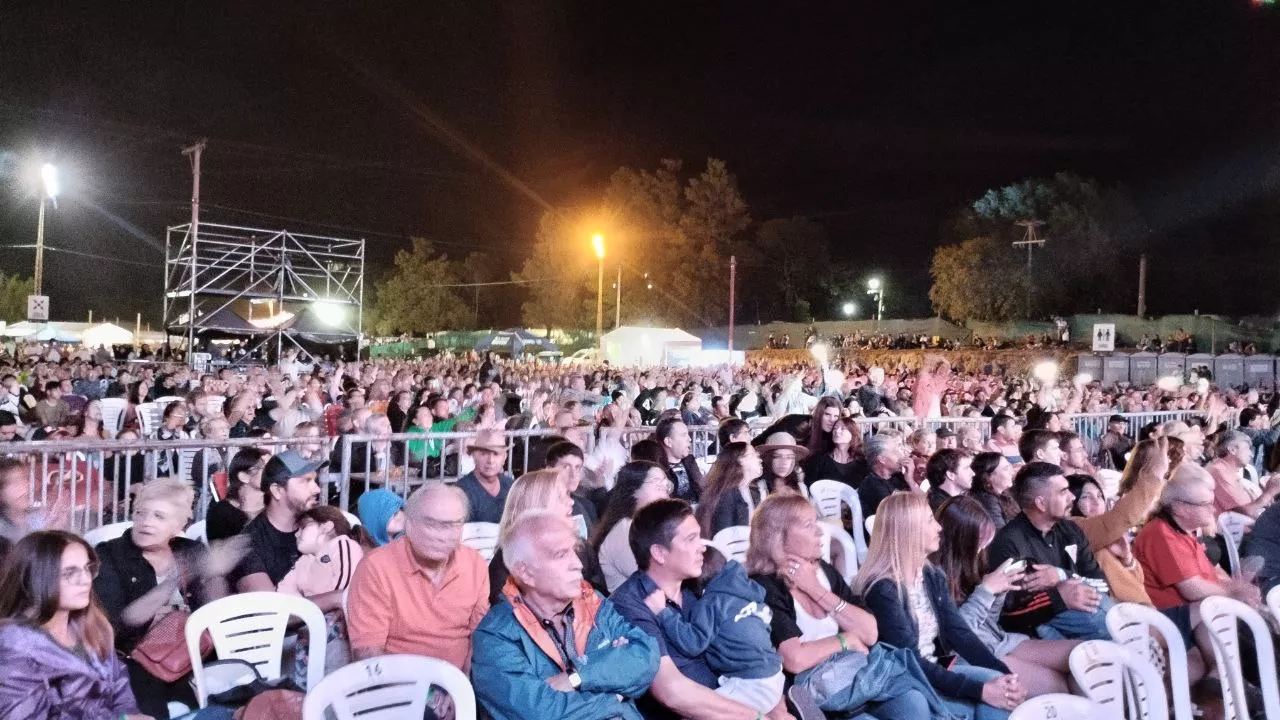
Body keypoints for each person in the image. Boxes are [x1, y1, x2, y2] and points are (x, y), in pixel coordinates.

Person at [746, 493, 952, 718]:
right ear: (778, 537)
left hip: (855, 676)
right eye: (808, 525)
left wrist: (816, 590)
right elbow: (795, 659)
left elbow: (870, 633)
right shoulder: (765, 586)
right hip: (815, 695)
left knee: (913, 703)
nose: (819, 531)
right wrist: (846, 640)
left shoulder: (823, 571)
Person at [471, 511, 660, 720]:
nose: (578, 564)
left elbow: (645, 655)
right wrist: (616, 695)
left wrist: (577, 677)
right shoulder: (494, 637)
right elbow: (542, 713)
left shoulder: (592, 601)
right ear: (525, 573)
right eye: (561, 555)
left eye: (574, 551)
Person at [853, 493, 1025, 719]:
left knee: (1006, 695)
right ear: (909, 531)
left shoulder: (931, 574)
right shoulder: (882, 589)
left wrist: (1004, 674)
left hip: (935, 670)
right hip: (903, 683)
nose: (938, 527)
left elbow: (959, 633)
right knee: (993, 699)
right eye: (929, 521)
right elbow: (910, 661)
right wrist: (981, 690)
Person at [610, 499, 781, 720]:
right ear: (659, 553)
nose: (702, 547)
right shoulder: (631, 605)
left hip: (739, 696)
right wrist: (756, 716)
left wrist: (774, 706)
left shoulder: (698, 585)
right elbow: (672, 692)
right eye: (691, 539)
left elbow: (751, 643)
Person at [94, 480, 235, 717]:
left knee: (234, 694)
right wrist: (171, 583)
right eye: (141, 513)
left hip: (195, 652)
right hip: (135, 659)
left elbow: (216, 614)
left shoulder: (191, 551)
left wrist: (214, 574)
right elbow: (117, 624)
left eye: (159, 516)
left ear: (180, 524)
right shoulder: (109, 554)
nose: (146, 522)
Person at [932, 496, 1077, 696]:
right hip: (974, 654)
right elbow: (956, 638)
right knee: (1059, 686)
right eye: (980, 542)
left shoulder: (969, 565)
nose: (983, 549)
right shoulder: (934, 577)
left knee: (1081, 658)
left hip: (1000, 640)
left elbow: (989, 621)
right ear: (961, 541)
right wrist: (985, 592)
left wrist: (1000, 591)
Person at [346, 482, 489, 677]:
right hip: (395, 687)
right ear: (409, 524)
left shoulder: (475, 564)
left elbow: (479, 639)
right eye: (432, 524)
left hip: (458, 686)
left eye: (453, 525)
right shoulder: (376, 568)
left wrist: (462, 687)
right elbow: (368, 654)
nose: (443, 535)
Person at [0, 530, 146, 719]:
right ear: (36, 578)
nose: (85, 580)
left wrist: (129, 714)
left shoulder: (94, 625)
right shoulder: (13, 648)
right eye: (70, 573)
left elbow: (118, 683)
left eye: (87, 568)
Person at [643, 555, 788, 718]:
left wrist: (662, 612)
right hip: (774, 673)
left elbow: (692, 643)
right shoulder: (746, 589)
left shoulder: (712, 602)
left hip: (752, 683)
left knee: (702, 712)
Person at [985, 462, 1113, 640]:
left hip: (1086, 616)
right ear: (1041, 504)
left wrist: (1061, 576)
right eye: (1063, 492)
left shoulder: (1071, 530)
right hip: (1035, 634)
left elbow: (1103, 586)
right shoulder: (1009, 542)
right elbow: (1008, 613)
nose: (1072, 497)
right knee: (1105, 624)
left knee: (1113, 618)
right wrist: (1059, 597)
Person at [1135, 464, 1262, 611]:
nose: (1213, 509)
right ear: (1180, 508)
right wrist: (1234, 594)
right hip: (1173, 618)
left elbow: (1210, 574)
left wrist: (1238, 588)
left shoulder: (1186, 530)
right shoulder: (1160, 533)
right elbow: (1193, 589)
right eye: (1206, 504)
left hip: (1200, 609)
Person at [486, 469, 606, 605]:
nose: (571, 502)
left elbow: (602, 602)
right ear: (537, 507)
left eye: (568, 495)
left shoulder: (581, 547)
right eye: (560, 497)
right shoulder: (506, 566)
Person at [229, 450, 324, 595]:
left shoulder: (322, 523)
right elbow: (271, 607)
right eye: (306, 481)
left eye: (315, 481)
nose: (317, 489)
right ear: (277, 490)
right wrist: (336, 599)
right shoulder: (247, 544)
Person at [591, 460, 671, 593]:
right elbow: (656, 579)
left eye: (666, 484)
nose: (665, 491)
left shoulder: (649, 526)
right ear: (634, 490)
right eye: (657, 483)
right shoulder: (624, 530)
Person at [695, 442, 767, 538]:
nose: (759, 459)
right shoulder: (725, 496)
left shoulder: (754, 492)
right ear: (741, 460)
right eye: (753, 454)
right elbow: (723, 537)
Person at [1207, 429, 1280, 518]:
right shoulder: (1219, 472)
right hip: (1231, 529)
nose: (1251, 454)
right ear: (1232, 450)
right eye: (1247, 448)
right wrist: (1270, 492)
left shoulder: (1228, 471)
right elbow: (1245, 512)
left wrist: (1269, 489)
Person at [205, 447, 267, 543]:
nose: (270, 472)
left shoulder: (274, 507)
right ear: (244, 477)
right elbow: (219, 552)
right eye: (262, 468)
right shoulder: (221, 512)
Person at [455, 428, 515, 524]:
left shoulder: (511, 486)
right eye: (484, 454)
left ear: (504, 458)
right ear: (474, 456)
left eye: (496, 454)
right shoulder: (461, 491)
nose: (490, 460)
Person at [545, 440, 599, 531]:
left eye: (577, 467)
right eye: (566, 467)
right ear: (549, 470)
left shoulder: (586, 506)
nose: (573, 474)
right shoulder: (540, 507)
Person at [858, 433, 912, 519]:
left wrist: (910, 480)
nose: (901, 454)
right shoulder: (871, 485)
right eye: (895, 451)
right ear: (882, 459)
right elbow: (898, 515)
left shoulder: (900, 476)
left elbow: (925, 504)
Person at [802, 416, 864, 487]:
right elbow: (809, 484)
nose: (837, 431)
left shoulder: (861, 462)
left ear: (853, 434)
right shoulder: (819, 459)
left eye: (843, 428)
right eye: (835, 428)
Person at [657, 417, 704, 503]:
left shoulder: (690, 461)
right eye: (683, 435)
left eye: (688, 434)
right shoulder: (657, 469)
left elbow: (702, 489)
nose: (689, 439)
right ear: (668, 442)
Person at [968, 452, 1019, 530]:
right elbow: (1001, 535)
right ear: (988, 477)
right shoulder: (987, 501)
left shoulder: (1004, 494)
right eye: (1006, 469)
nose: (1011, 472)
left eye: (1010, 467)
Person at [757, 431, 810, 497]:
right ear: (769, 459)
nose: (784, 462)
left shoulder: (802, 488)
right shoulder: (760, 488)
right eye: (777, 456)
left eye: (789, 457)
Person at [925, 448, 974, 513]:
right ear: (950, 475)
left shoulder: (956, 503)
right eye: (966, 468)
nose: (973, 473)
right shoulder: (943, 510)